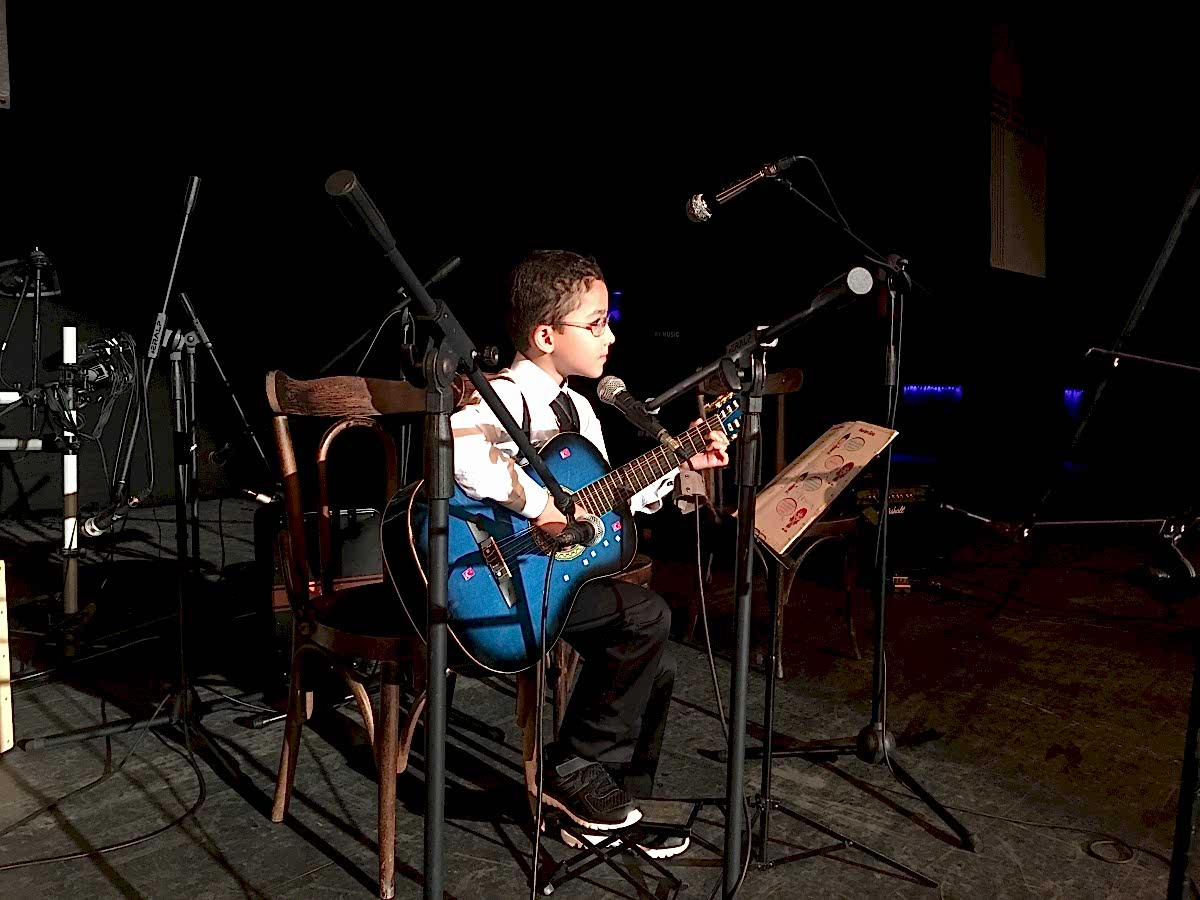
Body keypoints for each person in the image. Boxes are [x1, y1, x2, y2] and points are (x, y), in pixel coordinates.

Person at [450, 249, 730, 857]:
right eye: (596, 323)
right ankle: (573, 766)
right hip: (504, 581)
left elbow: (605, 497)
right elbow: (463, 455)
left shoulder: (578, 407)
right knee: (646, 618)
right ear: (546, 336)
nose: (610, 335)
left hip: (557, 575)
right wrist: (539, 505)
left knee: (656, 658)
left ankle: (616, 806)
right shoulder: (504, 396)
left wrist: (679, 461)